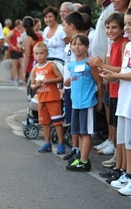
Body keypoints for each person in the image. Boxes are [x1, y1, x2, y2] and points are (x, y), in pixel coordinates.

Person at [100, 8, 131, 195]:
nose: (127, 27)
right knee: (125, 140)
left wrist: (115, 74)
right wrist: (112, 76)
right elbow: (123, 70)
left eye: (129, 24)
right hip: (124, 99)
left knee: (129, 140)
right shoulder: (128, 46)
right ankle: (127, 174)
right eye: (126, 23)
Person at [66, 34, 102, 171]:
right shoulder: (71, 65)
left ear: (87, 47)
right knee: (79, 132)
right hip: (76, 103)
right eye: (74, 44)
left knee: (86, 132)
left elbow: (99, 82)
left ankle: (84, 161)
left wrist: (99, 101)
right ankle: (81, 157)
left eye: (80, 44)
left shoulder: (90, 64)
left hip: (87, 103)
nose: (77, 47)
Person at [91, 0, 115, 168]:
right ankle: (110, 138)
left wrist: (104, 66)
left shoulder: (112, 8)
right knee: (108, 105)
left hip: (106, 66)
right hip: (102, 65)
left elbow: (109, 42)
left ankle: (113, 141)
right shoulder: (106, 8)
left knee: (110, 105)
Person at [30, 42, 65, 154]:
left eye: (41, 53)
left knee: (57, 123)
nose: (39, 56)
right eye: (36, 54)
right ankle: (47, 143)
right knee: (44, 123)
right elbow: (32, 85)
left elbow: (60, 78)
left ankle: (61, 143)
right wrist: (36, 85)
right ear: (33, 55)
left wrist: (49, 80)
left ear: (47, 54)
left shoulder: (51, 65)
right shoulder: (35, 69)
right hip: (42, 99)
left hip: (53, 99)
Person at [61, 11, 84, 164]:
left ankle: (80, 151)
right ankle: (75, 148)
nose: (63, 28)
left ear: (71, 25)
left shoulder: (81, 42)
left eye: (64, 25)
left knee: (79, 121)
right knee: (72, 120)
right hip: (68, 86)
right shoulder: (69, 43)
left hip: (77, 86)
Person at [22, 16, 43, 82]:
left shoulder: (27, 38)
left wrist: (24, 71)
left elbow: (27, 56)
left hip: (31, 65)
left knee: (30, 89)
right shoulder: (40, 36)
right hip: (40, 63)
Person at [5, 19, 24, 85]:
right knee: (15, 64)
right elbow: (6, 38)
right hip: (14, 50)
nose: (22, 25)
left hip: (19, 49)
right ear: (18, 25)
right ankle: (12, 79)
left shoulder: (20, 31)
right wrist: (12, 46)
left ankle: (19, 78)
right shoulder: (13, 31)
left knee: (21, 64)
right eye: (21, 24)